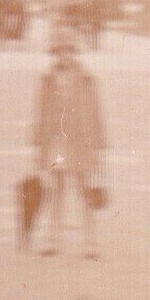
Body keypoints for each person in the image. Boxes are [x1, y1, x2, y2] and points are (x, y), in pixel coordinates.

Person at [32, 27, 107, 259]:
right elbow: (41, 112)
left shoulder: (86, 79)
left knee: (85, 191)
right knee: (56, 190)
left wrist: (99, 145)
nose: (64, 55)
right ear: (54, 53)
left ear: (74, 52)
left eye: (68, 51)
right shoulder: (47, 79)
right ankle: (52, 239)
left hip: (80, 142)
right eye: (59, 51)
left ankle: (91, 242)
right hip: (56, 141)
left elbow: (96, 112)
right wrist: (38, 143)